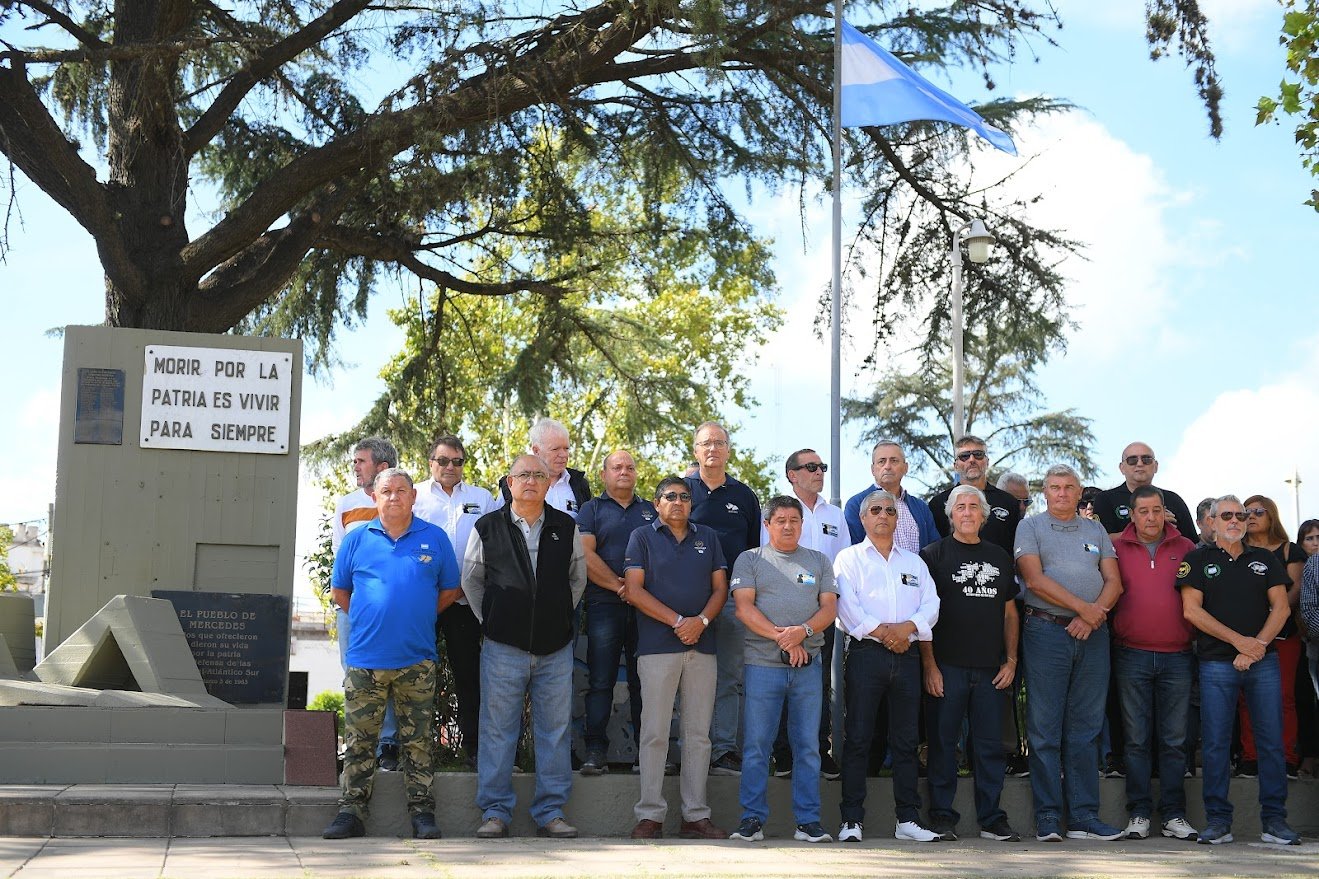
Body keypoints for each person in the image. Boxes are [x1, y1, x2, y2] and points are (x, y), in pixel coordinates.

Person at [322, 468, 461, 840]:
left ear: (414, 497)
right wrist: (374, 619)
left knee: (418, 741)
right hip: (366, 659)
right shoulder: (355, 540)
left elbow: (450, 590)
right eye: (386, 491)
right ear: (374, 498)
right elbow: (340, 593)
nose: (394, 497)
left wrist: (414, 616)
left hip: (416, 660)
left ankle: (422, 815)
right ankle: (350, 812)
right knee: (360, 741)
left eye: (401, 491)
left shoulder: (435, 538)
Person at [462, 454, 588, 839]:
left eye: (538, 475)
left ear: (549, 483)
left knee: (554, 731)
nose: (531, 480)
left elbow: (577, 580)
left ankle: (550, 812)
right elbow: (472, 582)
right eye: (523, 475)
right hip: (503, 648)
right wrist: (496, 621)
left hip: (555, 647)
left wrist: (557, 618)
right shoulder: (487, 527)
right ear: (509, 482)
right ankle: (495, 812)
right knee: (498, 730)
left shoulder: (566, 527)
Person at [1177, 495, 1298, 845]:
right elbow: (1192, 612)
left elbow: (1281, 609)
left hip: (1263, 662)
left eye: (1240, 515)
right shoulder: (1196, 558)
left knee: (1271, 743)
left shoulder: (1264, 559)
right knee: (1214, 744)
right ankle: (1218, 822)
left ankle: (1275, 821)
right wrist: (1240, 643)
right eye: (1226, 515)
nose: (1234, 520)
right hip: (1217, 663)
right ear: (1211, 522)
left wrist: (1256, 645)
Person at [1014, 464, 1124, 842]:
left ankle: (1083, 818)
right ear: (1045, 492)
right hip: (1046, 631)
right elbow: (1034, 579)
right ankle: (1048, 817)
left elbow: (1114, 581)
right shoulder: (1030, 526)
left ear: (1080, 493)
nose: (1062, 493)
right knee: (1044, 729)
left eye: (1069, 487)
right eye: (1055, 487)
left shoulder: (1095, 530)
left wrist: (1093, 617)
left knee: (1086, 728)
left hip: (1093, 635)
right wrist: (1083, 609)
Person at [623, 476, 729, 840]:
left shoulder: (708, 538)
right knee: (654, 733)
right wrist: (678, 621)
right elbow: (634, 590)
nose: (679, 502)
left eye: (685, 497)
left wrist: (699, 622)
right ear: (657, 503)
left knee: (698, 735)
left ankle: (695, 816)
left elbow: (721, 589)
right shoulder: (642, 537)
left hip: (702, 646)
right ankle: (650, 815)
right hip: (656, 648)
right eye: (671, 496)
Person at [730, 496, 839, 844]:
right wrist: (785, 639)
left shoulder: (819, 561)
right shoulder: (750, 560)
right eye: (781, 520)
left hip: (808, 666)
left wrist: (802, 633)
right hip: (762, 665)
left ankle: (808, 822)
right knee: (757, 745)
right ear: (767, 525)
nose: (788, 526)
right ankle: (751, 820)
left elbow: (829, 609)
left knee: (808, 746)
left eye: (794, 520)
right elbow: (744, 609)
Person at [834, 490, 941, 843]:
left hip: (907, 656)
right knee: (859, 738)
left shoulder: (914, 563)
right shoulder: (848, 559)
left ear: (898, 519)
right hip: (866, 655)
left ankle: (907, 820)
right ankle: (851, 820)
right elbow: (847, 609)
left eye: (889, 510)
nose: (883, 515)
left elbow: (931, 606)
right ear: (863, 518)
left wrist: (906, 630)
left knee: (906, 741)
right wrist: (884, 633)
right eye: (875, 510)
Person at [919, 485, 1021, 843]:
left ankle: (992, 819)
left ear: (983, 514)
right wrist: (929, 666)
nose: (966, 512)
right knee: (944, 745)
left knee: (990, 747)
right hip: (947, 667)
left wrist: (1011, 660)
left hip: (991, 669)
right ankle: (942, 817)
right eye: (959, 506)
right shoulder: (931, 555)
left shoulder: (999, 557)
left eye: (973, 506)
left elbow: (1010, 612)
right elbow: (923, 616)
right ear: (950, 515)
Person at [1109, 486, 1199, 841]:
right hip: (1130, 653)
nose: (1150, 517)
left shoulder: (1186, 548)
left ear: (1166, 513)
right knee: (1135, 740)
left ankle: (1174, 814)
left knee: (1175, 741)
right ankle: (1140, 813)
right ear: (1132, 514)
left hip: (1177, 655)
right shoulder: (1115, 549)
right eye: (1143, 511)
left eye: (1156, 511)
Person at [763, 448, 849, 781]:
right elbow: (766, 560)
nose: (819, 472)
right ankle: (783, 754)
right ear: (792, 474)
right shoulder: (778, 512)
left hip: (822, 614)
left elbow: (843, 566)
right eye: (811, 467)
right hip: (783, 613)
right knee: (785, 682)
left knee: (819, 683)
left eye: (822, 466)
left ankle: (818, 749)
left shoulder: (836, 516)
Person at [412, 434, 496, 768]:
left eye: (457, 461)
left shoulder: (483, 497)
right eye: (443, 460)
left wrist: (465, 588)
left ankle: (475, 750)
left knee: (469, 678)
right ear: (431, 462)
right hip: (423, 603)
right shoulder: (414, 495)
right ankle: (414, 752)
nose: (450, 467)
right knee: (415, 676)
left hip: (465, 602)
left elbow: (494, 546)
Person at [684, 421, 761, 776]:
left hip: (732, 597)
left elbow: (755, 552)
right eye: (705, 443)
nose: (712, 449)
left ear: (728, 451)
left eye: (719, 443)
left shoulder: (744, 496)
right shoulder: (680, 491)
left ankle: (725, 749)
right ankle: (686, 750)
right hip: (687, 598)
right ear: (695, 450)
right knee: (687, 676)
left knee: (730, 675)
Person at [575, 450, 656, 774]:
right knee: (600, 680)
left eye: (630, 467)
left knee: (644, 682)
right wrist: (621, 587)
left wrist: (637, 593)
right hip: (603, 605)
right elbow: (585, 554)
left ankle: (646, 756)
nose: (624, 471)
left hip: (646, 610)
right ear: (604, 474)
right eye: (617, 467)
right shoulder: (591, 509)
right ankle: (595, 751)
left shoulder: (652, 511)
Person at [332, 436, 403, 771]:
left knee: (390, 675)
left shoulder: (399, 501)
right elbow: (339, 562)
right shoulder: (345, 504)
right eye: (355, 461)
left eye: (361, 461)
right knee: (356, 678)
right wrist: (347, 606)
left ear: (382, 467)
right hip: (351, 610)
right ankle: (358, 748)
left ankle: (388, 747)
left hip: (391, 611)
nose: (355, 467)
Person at [1237, 494, 1306, 778]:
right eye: (1247, 511)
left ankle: (1287, 757)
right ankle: (1251, 758)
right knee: (1245, 698)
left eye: (1259, 511)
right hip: (1242, 638)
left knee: (1284, 697)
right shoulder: (1235, 550)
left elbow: (1293, 594)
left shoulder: (1291, 551)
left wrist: (1269, 620)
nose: (1252, 516)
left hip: (1282, 636)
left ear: (1272, 516)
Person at [927, 435, 1021, 555]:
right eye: (964, 456)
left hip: (999, 571)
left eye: (978, 454)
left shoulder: (1008, 502)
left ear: (987, 462)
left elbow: (1017, 550)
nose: (971, 460)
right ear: (956, 465)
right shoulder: (938, 504)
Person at [1091, 442, 1197, 541]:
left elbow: (1191, 542)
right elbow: (1101, 540)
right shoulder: (1105, 499)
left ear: (1156, 466)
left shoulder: (1173, 500)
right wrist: (1152, 525)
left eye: (1146, 459)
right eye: (1132, 460)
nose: (1140, 464)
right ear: (1122, 468)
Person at [844, 441, 939, 550]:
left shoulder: (921, 507)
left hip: (917, 567)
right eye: (881, 461)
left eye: (894, 461)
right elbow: (853, 548)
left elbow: (935, 550)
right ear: (873, 469)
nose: (887, 466)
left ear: (905, 468)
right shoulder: (856, 504)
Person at [493, 418, 593, 516]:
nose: (563, 454)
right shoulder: (513, 484)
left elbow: (587, 526)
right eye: (555, 449)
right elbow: (497, 526)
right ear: (536, 451)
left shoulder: (579, 484)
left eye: (566, 448)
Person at [1297, 519, 1319, 777]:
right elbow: (1309, 607)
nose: (1315, 543)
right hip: (1310, 648)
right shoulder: (1313, 565)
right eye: (1310, 538)